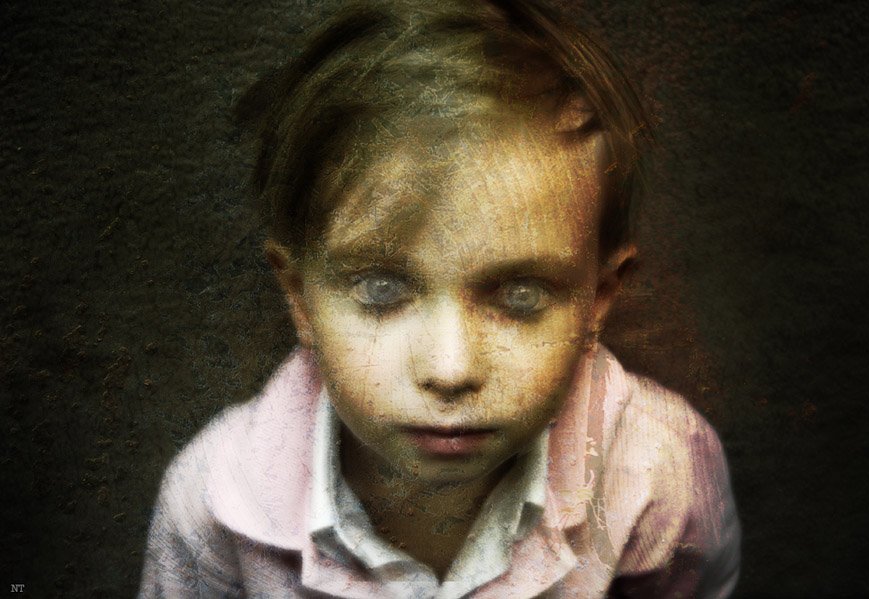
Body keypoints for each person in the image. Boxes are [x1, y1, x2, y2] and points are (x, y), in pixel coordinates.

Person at [139, 0, 741, 596]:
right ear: (299, 299)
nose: (450, 370)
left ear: (598, 300)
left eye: (521, 294)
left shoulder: (663, 471)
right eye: (380, 290)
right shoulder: (215, 500)